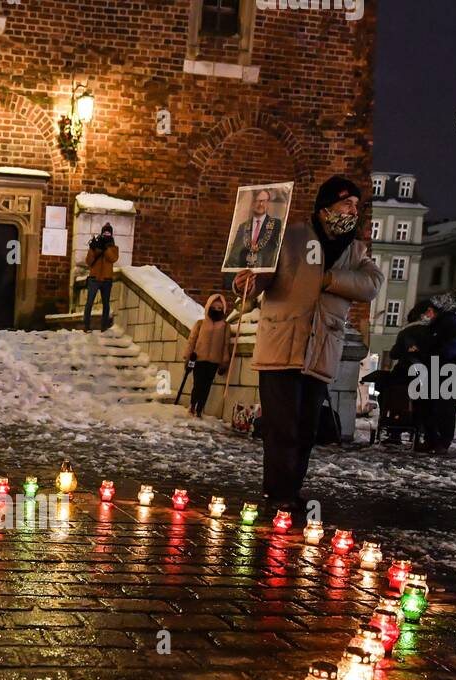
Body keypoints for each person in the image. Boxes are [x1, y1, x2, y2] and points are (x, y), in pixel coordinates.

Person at [234, 175, 382, 511]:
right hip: (281, 346)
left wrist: (330, 279)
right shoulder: (292, 236)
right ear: (326, 206)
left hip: (321, 351)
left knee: (306, 429)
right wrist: (248, 283)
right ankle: (278, 493)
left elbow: (371, 283)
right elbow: (263, 275)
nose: (353, 210)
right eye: (347, 202)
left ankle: (291, 490)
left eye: (357, 205)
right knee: (282, 426)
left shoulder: (355, 249)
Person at [410, 298, 456, 453]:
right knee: (428, 406)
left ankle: (442, 442)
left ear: (429, 311)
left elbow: (452, 348)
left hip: (448, 371)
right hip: (435, 369)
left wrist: (430, 355)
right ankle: (431, 440)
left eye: (423, 316)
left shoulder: (450, 323)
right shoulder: (438, 325)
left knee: (444, 409)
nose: (423, 320)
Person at [370, 308, 433, 442]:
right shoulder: (431, 332)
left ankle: (394, 431)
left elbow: (394, 353)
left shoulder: (406, 332)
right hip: (424, 374)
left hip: (403, 373)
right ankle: (418, 428)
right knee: (421, 401)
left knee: (390, 394)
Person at [183, 294, 233, 418]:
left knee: (206, 386)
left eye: (219, 308)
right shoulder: (200, 324)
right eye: (214, 307)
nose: (216, 310)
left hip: (214, 361)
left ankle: (200, 409)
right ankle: (193, 405)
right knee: (198, 384)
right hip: (199, 358)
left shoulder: (225, 326)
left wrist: (224, 362)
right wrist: (187, 356)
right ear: (208, 307)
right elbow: (192, 341)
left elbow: (226, 345)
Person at [227, 189, 284, 270]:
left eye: (264, 201)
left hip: (264, 273)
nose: (260, 204)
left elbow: (275, 251)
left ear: (268, 203)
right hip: (243, 272)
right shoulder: (243, 226)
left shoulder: (276, 224)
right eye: (257, 201)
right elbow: (234, 255)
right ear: (252, 203)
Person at [83, 223, 119, 330]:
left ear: (111, 234)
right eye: (105, 232)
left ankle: (104, 326)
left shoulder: (114, 248)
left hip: (107, 279)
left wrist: (106, 248)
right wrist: (93, 248)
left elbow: (112, 258)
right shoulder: (96, 245)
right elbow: (89, 262)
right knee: (89, 303)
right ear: (102, 233)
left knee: (106, 304)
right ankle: (86, 325)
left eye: (108, 232)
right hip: (94, 278)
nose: (106, 234)